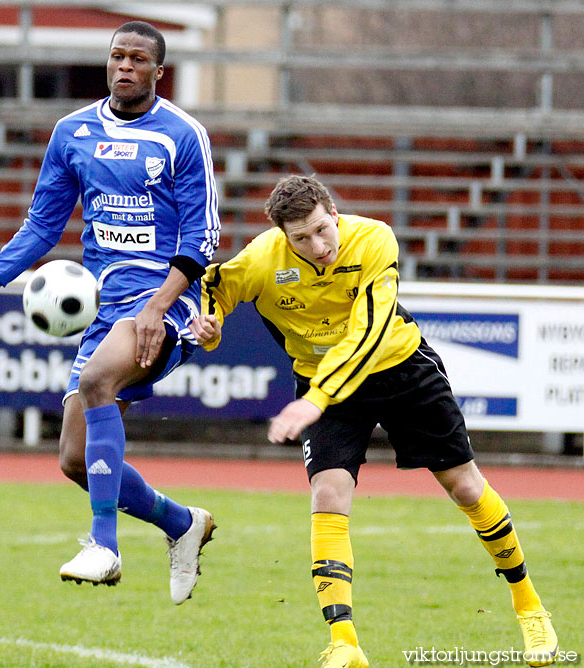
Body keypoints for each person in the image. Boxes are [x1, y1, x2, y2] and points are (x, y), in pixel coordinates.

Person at [189, 175, 558, 667]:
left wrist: (315, 399)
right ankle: (344, 643)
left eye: (323, 230)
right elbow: (215, 286)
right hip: (324, 386)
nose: (318, 245)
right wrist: (208, 326)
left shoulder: (375, 240)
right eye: (301, 238)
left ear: (334, 212)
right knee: (328, 493)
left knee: (466, 488)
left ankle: (530, 608)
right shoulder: (262, 259)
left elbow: (369, 331)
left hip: (398, 367)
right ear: (283, 237)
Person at [0, 20, 219, 604]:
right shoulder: (72, 132)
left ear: (158, 72)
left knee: (95, 380)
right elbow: (41, 226)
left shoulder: (183, 135)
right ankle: (182, 523)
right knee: (74, 460)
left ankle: (104, 547)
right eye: (118, 56)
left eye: (139, 59)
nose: (126, 66)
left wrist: (159, 308)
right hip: (104, 305)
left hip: (168, 301)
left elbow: (202, 238)